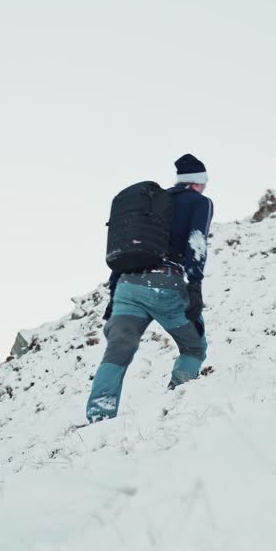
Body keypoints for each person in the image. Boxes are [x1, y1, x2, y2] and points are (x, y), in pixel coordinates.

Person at [85, 154, 214, 422]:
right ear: (198, 182)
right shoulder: (198, 202)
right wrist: (195, 286)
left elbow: (128, 245)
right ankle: (176, 406)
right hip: (164, 285)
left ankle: (99, 416)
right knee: (193, 347)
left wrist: (113, 296)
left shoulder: (150, 203)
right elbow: (196, 241)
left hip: (126, 286)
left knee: (118, 351)